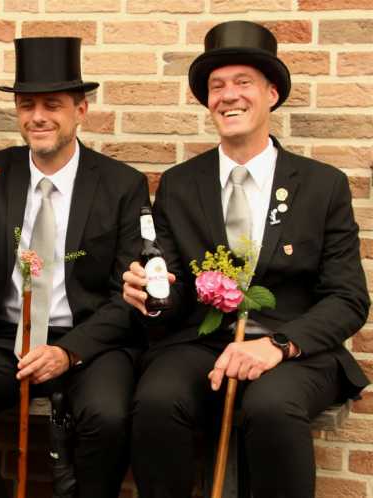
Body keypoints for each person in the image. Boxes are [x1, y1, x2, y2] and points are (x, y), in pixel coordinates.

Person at [123, 20, 370, 498]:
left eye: (243, 82)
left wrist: (278, 345)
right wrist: (152, 298)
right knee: (155, 400)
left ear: (271, 94)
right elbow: (173, 292)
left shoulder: (322, 185)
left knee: (271, 408)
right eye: (217, 86)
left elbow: (348, 298)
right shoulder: (179, 184)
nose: (228, 96)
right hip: (202, 342)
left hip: (291, 349)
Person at [0, 37, 149, 498]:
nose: (37, 116)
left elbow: (126, 296)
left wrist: (68, 352)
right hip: (4, 332)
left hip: (87, 338)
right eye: (26, 105)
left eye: (52, 105)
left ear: (81, 110)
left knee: (108, 417)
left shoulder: (122, 185)